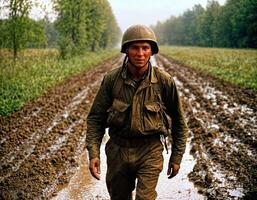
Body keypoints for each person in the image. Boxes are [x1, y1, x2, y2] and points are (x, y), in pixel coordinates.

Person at [86, 24, 188, 200]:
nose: (140, 54)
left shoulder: (164, 82)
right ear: (126, 50)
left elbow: (179, 121)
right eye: (135, 48)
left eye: (145, 48)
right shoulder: (112, 80)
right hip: (118, 150)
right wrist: (93, 153)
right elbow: (96, 118)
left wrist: (176, 156)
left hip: (150, 150)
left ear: (152, 51)